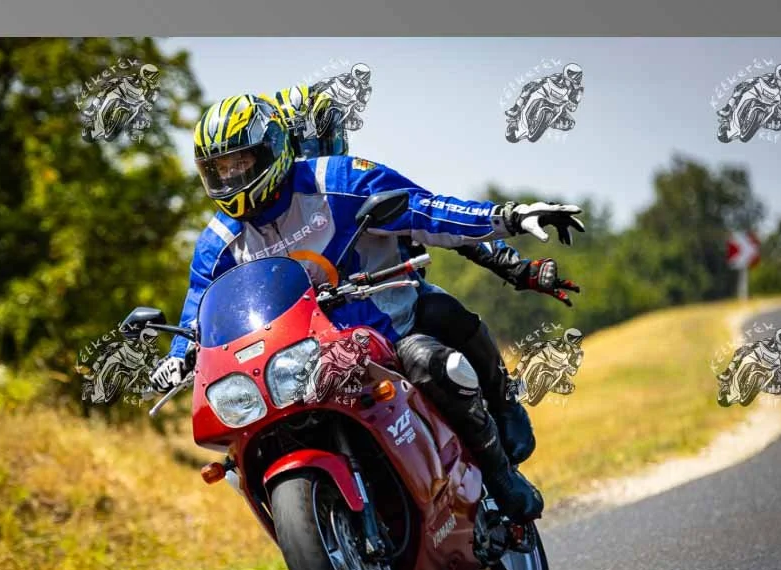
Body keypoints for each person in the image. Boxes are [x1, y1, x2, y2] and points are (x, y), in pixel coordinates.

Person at [150, 94, 585, 524]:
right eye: (220, 169)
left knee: (434, 353)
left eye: (241, 162)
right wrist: (176, 357)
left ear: (274, 150)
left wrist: (509, 219)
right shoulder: (216, 241)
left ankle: (499, 470)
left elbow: (428, 212)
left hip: (387, 329)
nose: (232, 176)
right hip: (298, 358)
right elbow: (198, 308)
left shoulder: (342, 179)